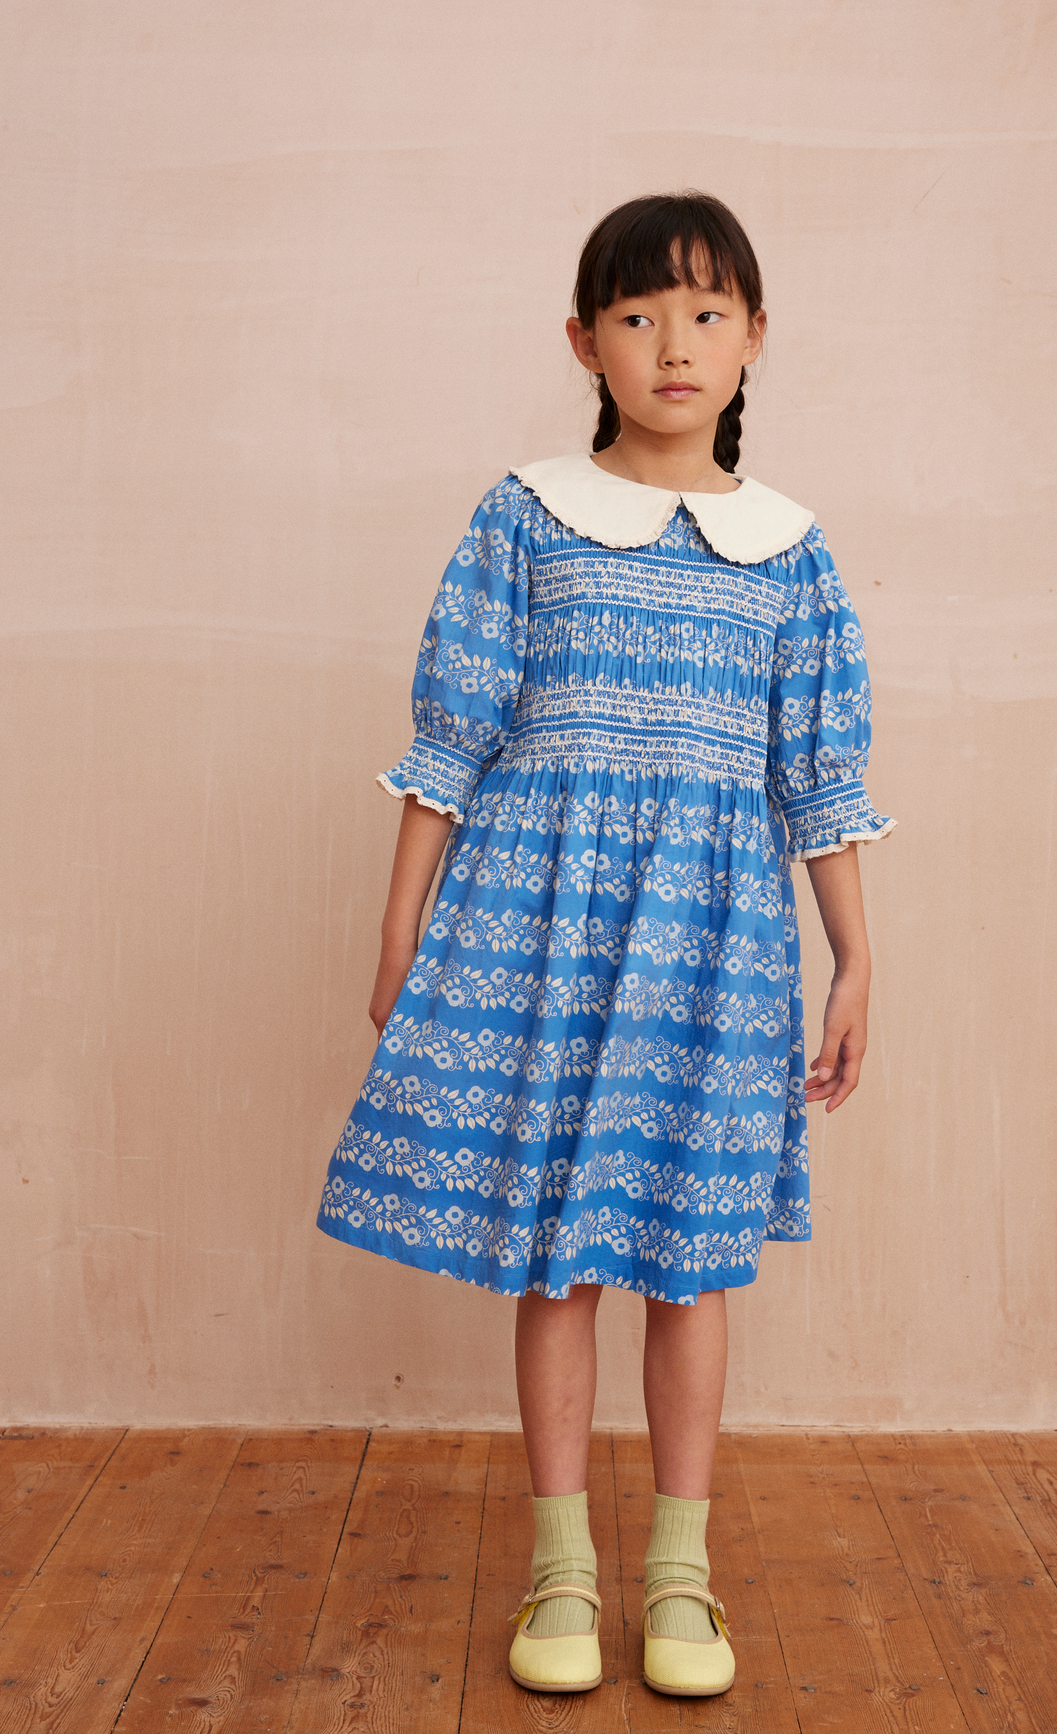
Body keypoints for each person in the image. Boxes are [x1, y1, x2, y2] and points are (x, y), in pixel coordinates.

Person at [317, 192, 894, 1697]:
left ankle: (681, 1576)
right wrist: (401, 922)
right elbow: (454, 734)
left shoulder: (792, 553)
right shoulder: (526, 517)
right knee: (562, 1261)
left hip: (716, 945)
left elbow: (819, 781)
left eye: (706, 314)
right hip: (542, 931)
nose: (672, 344)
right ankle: (561, 1568)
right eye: (637, 317)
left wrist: (855, 959)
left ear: (755, 337)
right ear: (585, 342)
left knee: (690, 1264)